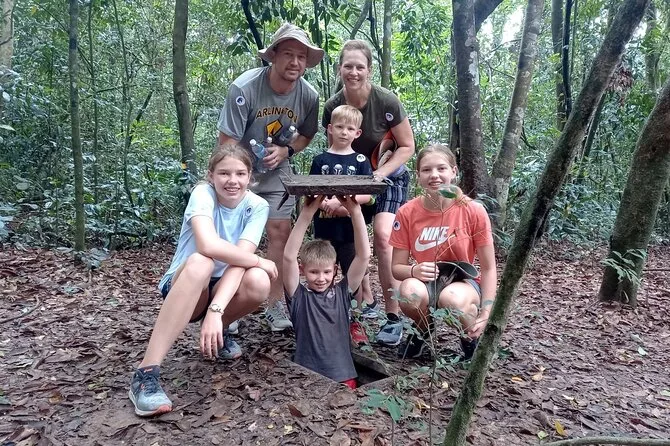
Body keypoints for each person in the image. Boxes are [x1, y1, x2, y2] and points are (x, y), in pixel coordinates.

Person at [128, 145, 278, 417]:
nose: (232, 180)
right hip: (187, 283)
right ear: (211, 175)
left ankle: (218, 331)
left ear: (249, 176)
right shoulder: (203, 193)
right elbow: (208, 245)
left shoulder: (257, 206)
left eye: (240, 173)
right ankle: (145, 373)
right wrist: (258, 259)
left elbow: (239, 262)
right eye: (224, 173)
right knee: (202, 262)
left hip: (223, 288)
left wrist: (216, 311)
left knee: (259, 281)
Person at [217, 23, 325, 331]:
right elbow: (227, 143)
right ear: (273, 55)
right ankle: (229, 303)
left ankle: (275, 304)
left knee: (280, 232)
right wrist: (238, 177)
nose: (295, 62)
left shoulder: (308, 95)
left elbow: (306, 134)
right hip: (238, 172)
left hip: (277, 173)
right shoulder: (245, 88)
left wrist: (286, 151)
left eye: (301, 57)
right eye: (288, 54)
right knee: (234, 236)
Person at [322, 39, 415, 346]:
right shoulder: (332, 106)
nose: (353, 72)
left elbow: (407, 146)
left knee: (384, 237)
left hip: (388, 178)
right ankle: (363, 302)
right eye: (348, 66)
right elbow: (333, 151)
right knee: (348, 240)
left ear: (369, 70)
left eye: (359, 67)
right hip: (351, 182)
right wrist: (333, 196)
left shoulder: (386, 101)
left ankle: (392, 316)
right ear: (339, 69)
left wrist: (379, 174)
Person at [389, 144, 497, 360]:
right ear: (418, 175)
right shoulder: (407, 212)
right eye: (426, 170)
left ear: (453, 171)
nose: (434, 175)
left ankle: (470, 337)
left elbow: (488, 267)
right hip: (425, 280)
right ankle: (423, 329)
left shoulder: (472, 210)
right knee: (408, 294)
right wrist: (414, 271)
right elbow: (396, 268)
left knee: (452, 300)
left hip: (463, 282)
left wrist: (486, 312)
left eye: (441, 168)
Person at [283, 195, 370, 389]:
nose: (321, 278)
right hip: (306, 379)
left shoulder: (342, 294)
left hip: (345, 377)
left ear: (335, 270)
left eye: (327, 272)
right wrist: (307, 213)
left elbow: (363, 256)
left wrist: (356, 212)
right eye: (314, 272)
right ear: (302, 270)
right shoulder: (299, 297)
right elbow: (289, 257)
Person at [309, 104, 374, 345]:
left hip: (350, 231)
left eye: (349, 128)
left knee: (353, 274)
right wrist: (324, 202)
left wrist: (342, 204)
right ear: (329, 129)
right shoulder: (320, 160)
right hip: (324, 229)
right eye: (339, 127)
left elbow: (368, 193)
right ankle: (322, 316)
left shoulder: (361, 161)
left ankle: (355, 321)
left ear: (357, 133)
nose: (344, 132)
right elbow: (310, 191)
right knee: (322, 273)